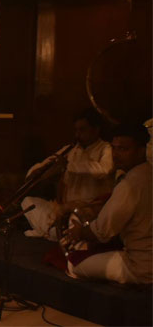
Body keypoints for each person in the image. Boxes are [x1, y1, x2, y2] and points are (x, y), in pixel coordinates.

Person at [65, 124, 152, 284]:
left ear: (141, 150)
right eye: (114, 148)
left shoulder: (130, 184)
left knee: (73, 264)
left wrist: (78, 232)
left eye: (123, 149)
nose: (116, 155)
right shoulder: (147, 173)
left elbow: (102, 231)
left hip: (141, 266)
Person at [21, 108, 114, 240]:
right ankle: (53, 231)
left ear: (96, 130)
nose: (77, 135)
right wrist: (38, 172)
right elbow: (46, 163)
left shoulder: (106, 149)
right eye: (76, 130)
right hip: (64, 208)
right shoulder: (71, 149)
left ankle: (50, 232)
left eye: (82, 130)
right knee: (28, 202)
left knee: (73, 220)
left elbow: (104, 170)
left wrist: (68, 166)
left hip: (89, 209)